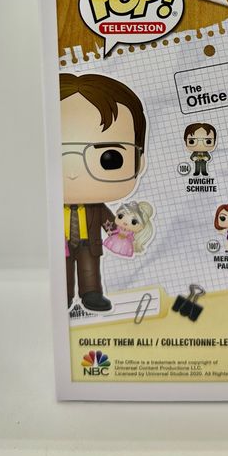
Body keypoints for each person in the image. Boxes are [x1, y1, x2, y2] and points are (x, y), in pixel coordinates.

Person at [61, 72, 147, 311]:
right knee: (62, 270)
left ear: (139, 162)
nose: (72, 173)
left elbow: (108, 221)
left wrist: (120, 234)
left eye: (110, 158)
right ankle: (63, 295)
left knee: (89, 269)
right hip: (60, 244)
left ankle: (91, 294)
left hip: (89, 242)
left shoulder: (96, 207)